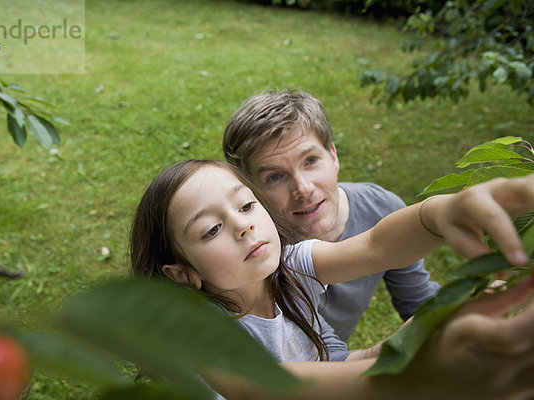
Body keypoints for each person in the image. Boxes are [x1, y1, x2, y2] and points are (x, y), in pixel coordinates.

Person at [129, 159, 534, 399]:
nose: (243, 227)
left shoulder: (291, 267)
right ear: (182, 274)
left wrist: (439, 214)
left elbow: (376, 246)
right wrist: (408, 379)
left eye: (247, 205)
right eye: (211, 230)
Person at [223, 89, 440, 341]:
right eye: (275, 177)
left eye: (311, 160)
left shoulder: (382, 210)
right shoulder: (253, 253)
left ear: (333, 156)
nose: (303, 189)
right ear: (251, 190)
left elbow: (418, 303)